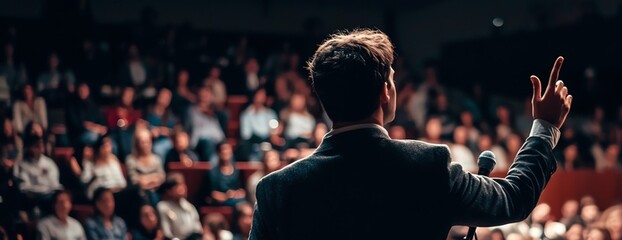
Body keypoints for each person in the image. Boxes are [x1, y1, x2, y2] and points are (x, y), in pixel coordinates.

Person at [250, 29, 573, 239]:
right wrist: (545, 127)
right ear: (385, 93)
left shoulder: (277, 189)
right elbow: (512, 199)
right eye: (391, 79)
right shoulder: (428, 164)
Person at [14, 136, 62, 205]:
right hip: (31, 198)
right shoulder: (22, 165)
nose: (40, 149)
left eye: (41, 146)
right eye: (36, 146)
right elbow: (24, 187)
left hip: (49, 196)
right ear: (30, 148)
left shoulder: (49, 163)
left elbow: (54, 183)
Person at [157, 173, 202, 239]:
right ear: (169, 190)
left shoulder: (190, 207)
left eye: (183, 184)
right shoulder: (163, 207)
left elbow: (198, 229)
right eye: (178, 185)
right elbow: (167, 233)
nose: (183, 188)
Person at [125, 128, 165, 202]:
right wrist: (154, 177)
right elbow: (135, 180)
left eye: (148, 142)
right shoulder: (131, 160)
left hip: (157, 193)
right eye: (143, 142)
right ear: (137, 144)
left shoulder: (156, 159)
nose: (146, 145)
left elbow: (161, 177)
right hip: (138, 195)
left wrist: (144, 179)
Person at [187, 87, 226, 161]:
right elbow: (192, 129)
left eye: (206, 96)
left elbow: (219, 133)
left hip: (216, 140)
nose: (204, 99)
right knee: (208, 143)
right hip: (198, 142)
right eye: (202, 96)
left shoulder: (215, 113)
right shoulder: (192, 111)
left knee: (224, 149)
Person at [65, 82, 107, 149]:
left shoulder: (93, 106)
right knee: (92, 136)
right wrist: (92, 127)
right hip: (77, 136)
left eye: (85, 89)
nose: (83, 92)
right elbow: (77, 124)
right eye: (81, 90)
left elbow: (102, 123)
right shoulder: (72, 107)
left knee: (110, 143)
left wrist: (100, 128)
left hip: (97, 134)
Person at [145, 88, 177, 158]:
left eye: (167, 98)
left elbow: (174, 131)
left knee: (158, 148)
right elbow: (143, 125)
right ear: (158, 96)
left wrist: (160, 131)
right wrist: (151, 131)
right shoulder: (148, 111)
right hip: (148, 139)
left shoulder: (170, 116)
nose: (164, 99)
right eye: (163, 96)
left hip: (164, 141)